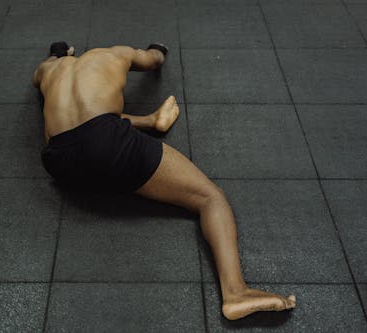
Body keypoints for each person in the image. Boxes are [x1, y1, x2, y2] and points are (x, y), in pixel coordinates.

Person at [33, 42, 296, 320]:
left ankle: (153, 122)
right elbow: (153, 61)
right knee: (210, 197)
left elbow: (79, 112)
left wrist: (59, 53)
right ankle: (236, 292)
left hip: (58, 160)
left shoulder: (49, 70)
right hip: (106, 146)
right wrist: (157, 49)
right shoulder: (114, 54)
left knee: (95, 125)